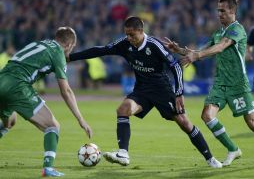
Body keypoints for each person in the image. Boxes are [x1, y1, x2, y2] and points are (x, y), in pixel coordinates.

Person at [69, 16, 222, 168]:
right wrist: (71, 57)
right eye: (126, 34)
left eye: (132, 35)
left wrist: (179, 93)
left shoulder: (154, 45)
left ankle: (210, 159)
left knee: (184, 123)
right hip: (142, 89)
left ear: (141, 31)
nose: (128, 38)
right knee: (123, 109)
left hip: (162, 89)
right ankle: (123, 153)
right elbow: (100, 50)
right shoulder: (124, 44)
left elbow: (175, 66)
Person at [164, 0, 254, 166]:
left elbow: (221, 47)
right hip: (220, 84)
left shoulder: (237, 29)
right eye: (218, 10)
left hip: (238, 84)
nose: (219, 14)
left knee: (251, 121)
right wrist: (179, 50)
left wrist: (196, 55)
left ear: (233, 11)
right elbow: (201, 51)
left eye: (223, 10)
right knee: (207, 115)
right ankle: (233, 149)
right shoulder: (218, 32)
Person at [0, 27, 92, 177]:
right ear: (69, 45)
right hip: (17, 86)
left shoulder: (40, 43)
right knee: (52, 126)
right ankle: (48, 168)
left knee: (9, 122)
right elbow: (66, 91)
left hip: (2, 79)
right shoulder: (58, 53)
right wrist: (81, 119)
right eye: (72, 47)